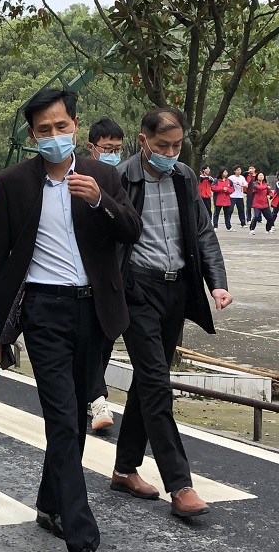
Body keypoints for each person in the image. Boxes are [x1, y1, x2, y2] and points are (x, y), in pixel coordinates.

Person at [0, 90, 142, 552]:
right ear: (32, 135)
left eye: (61, 126)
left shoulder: (102, 175)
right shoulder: (13, 182)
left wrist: (100, 201)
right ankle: (80, 531)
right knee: (60, 416)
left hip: (94, 309)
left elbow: (132, 230)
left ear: (75, 125)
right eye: (44, 129)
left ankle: (49, 502)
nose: (54, 135)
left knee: (75, 415)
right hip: (43, 310)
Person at [114, 107, 232, 519]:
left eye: (176, 145)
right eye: (162, 145)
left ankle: (124, 469)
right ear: (143, 140)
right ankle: (180, 485)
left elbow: (202, 232)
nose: (170, 153)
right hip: (137, 289)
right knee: (156, 383)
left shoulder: (185, 177)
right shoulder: (121, 179)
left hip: (176, 289)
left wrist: (217, 282)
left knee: (149, 380)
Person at [85, 117, 126, 432]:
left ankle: (91, 394)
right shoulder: (79, 178)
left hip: (116, 275)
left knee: (106, 340)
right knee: (91, 341)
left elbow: (129, 223)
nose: (113, 154)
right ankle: (97, 399)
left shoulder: (121, 179)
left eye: (117, 149)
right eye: (107, 148)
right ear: (92, 147)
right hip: (86, 278)